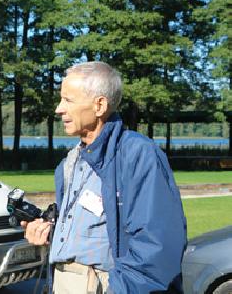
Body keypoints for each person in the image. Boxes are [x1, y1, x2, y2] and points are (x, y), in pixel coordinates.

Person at [23, 61, 187, 293]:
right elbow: (92, 231)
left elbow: (156, 245)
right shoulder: (70, 161)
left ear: (99, 105)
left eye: (68, 100)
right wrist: (50, 232)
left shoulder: (136, 154)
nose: (59, 109)